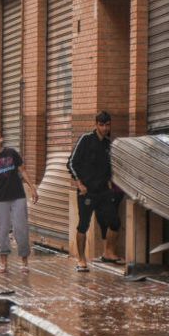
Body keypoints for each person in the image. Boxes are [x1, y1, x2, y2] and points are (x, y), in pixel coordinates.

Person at [68, 110, 123, 271]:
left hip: (103, 192)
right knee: (83, 225)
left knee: (115, 222)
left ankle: (109, 253)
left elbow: (111, 168)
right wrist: (80, 184)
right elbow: (71, 163)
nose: (105, 128)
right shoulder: (86, 140)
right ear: (96, 125)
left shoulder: (108, 144)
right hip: (87, 192)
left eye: (107, 125)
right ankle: (81, 260)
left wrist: (111, 185)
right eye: (102, 125)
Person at [0, 130, 38, 273]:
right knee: (1, 230)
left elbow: (23, 170)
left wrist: (32, 188)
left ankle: (24, 262)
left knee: (21, 228)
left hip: (18, 195)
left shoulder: (12, 152)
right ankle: (3, 263)